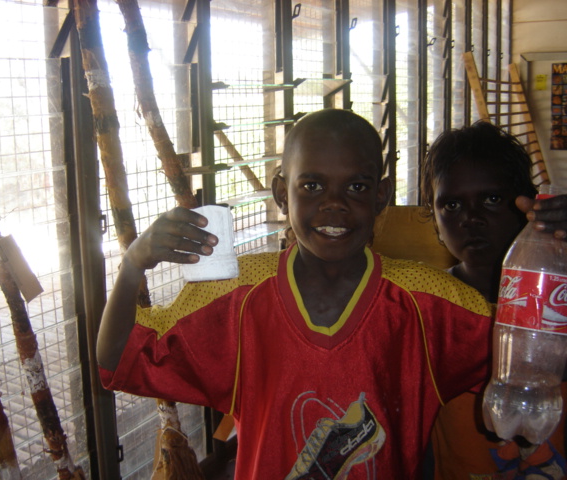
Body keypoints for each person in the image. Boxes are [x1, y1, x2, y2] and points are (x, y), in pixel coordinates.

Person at [97, 108, 495, 479]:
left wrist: (534, 247)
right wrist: (133, 264)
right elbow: (118, 359)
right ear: (281, 193)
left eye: (357, 186)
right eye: (312, 185)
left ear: (381, 195)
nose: (335, 203)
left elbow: (524, 351)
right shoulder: (237, 298)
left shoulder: (428, 304)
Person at [420, 120, 567, 479]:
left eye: (492, 199)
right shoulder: (428, 308)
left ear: (527, 203)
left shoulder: (557, 295)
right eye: (451, 205)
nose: (471, 218)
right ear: (434, 221)